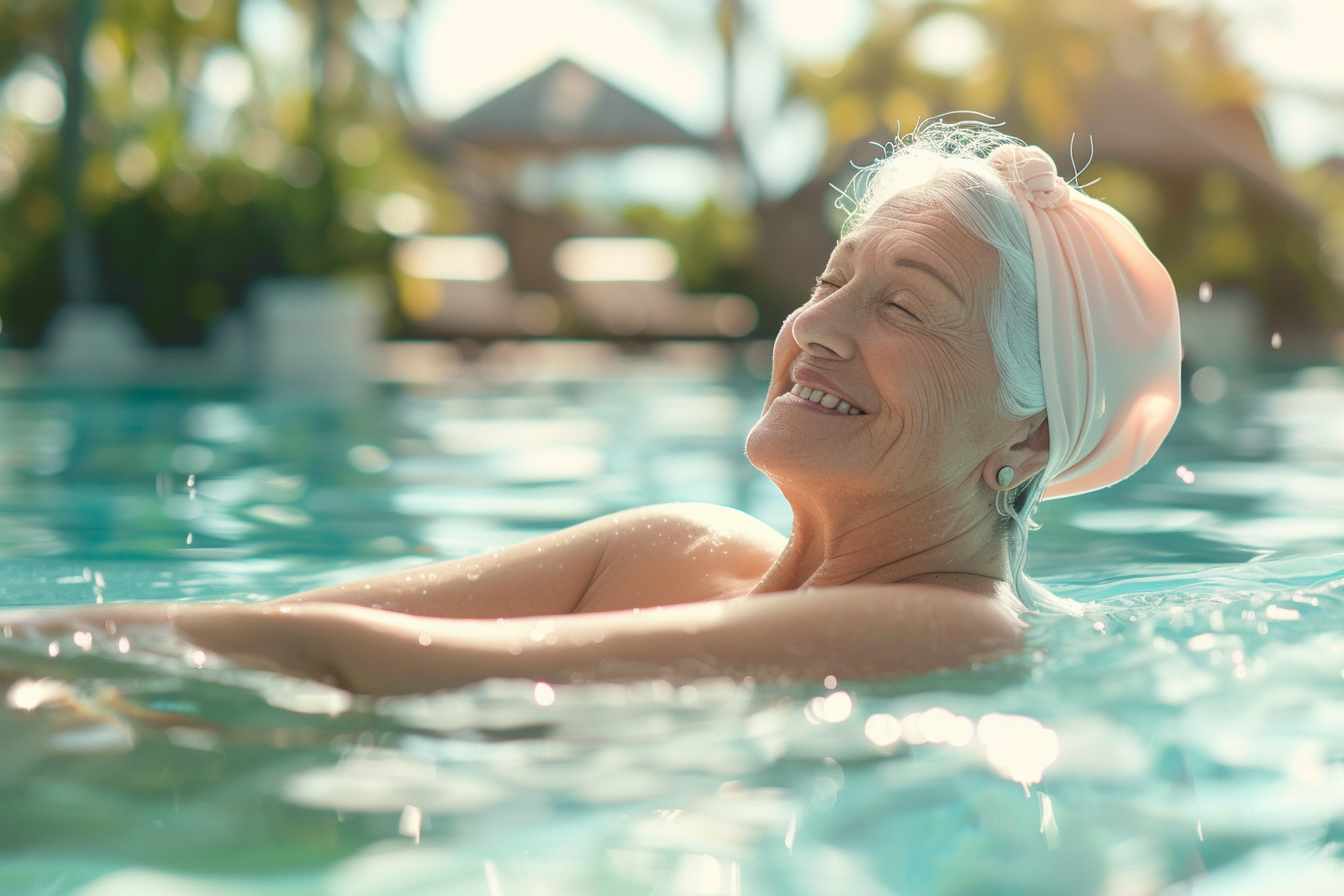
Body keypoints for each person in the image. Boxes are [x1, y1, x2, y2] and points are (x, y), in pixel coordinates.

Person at [1, 121, 1181, 696]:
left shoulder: (957, 630)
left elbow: (375, 664)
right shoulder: (672, 543)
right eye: (831, 280)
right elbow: (286, 618)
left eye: (904, 307)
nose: (818, 326)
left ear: (1025, 435)